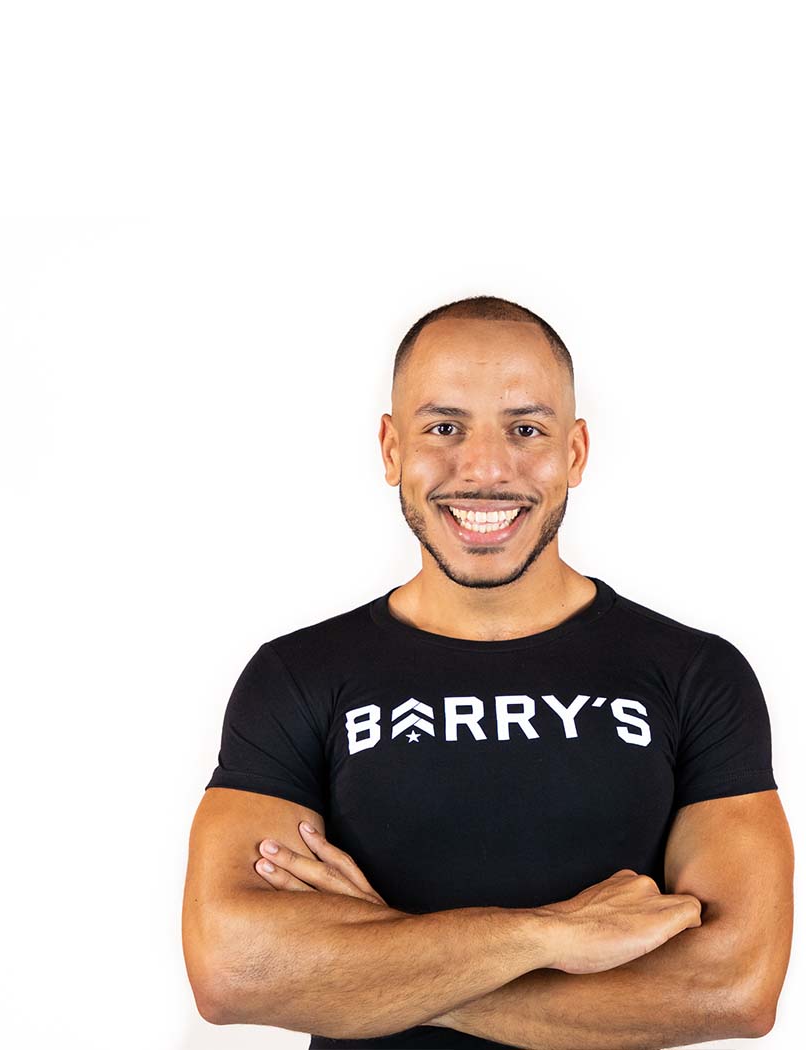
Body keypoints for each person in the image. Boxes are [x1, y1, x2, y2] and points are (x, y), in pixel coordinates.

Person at [181, 296, 793, 1050]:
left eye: (525, 430)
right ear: (390, 449)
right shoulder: (298, 676)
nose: (484, 470)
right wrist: (548, 935)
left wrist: (381, 969)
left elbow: (732, 989)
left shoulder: (695, 674)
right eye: (444, 428)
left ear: (574, 453)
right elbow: (233, 972)